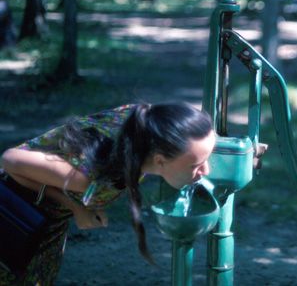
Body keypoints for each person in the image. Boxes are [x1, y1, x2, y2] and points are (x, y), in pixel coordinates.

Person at [0, 102, 215, 285]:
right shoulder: (86, 176)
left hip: (47, 221)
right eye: (196, 165)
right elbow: (10, 160)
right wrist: (77, 207)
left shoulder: (145, 126)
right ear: (159, 160)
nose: (206, 171)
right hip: (15, 217)